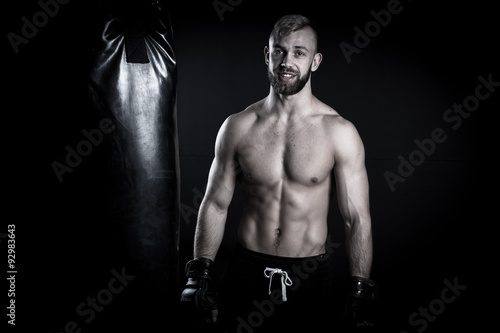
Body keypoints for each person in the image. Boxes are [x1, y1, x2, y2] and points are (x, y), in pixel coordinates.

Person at [181, 14, 378, 332]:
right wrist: (199, 273)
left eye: (299, 52)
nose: (287, 61)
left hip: (309, 276)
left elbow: (356, 219)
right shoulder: (238, 127)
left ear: (315, 62)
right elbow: (215, 203)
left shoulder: (339, 132)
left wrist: (360, 291)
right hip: (246, 270)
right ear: (267, 55)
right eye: (279, 51)